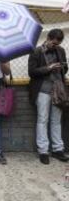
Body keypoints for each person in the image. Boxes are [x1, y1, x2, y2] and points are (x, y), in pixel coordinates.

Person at [28, 29, 69, 164]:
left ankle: (58, 149)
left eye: (58, 43)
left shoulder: (61, 51)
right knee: (42, 119)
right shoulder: (36, 51)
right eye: (54, 42)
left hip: (58, 90)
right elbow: (32, 72)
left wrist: (62, 67)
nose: (55, 45)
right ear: (48, 38)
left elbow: (66, 69)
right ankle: (43, 151)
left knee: (56, 120)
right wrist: (48, 68)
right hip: (43, 90)